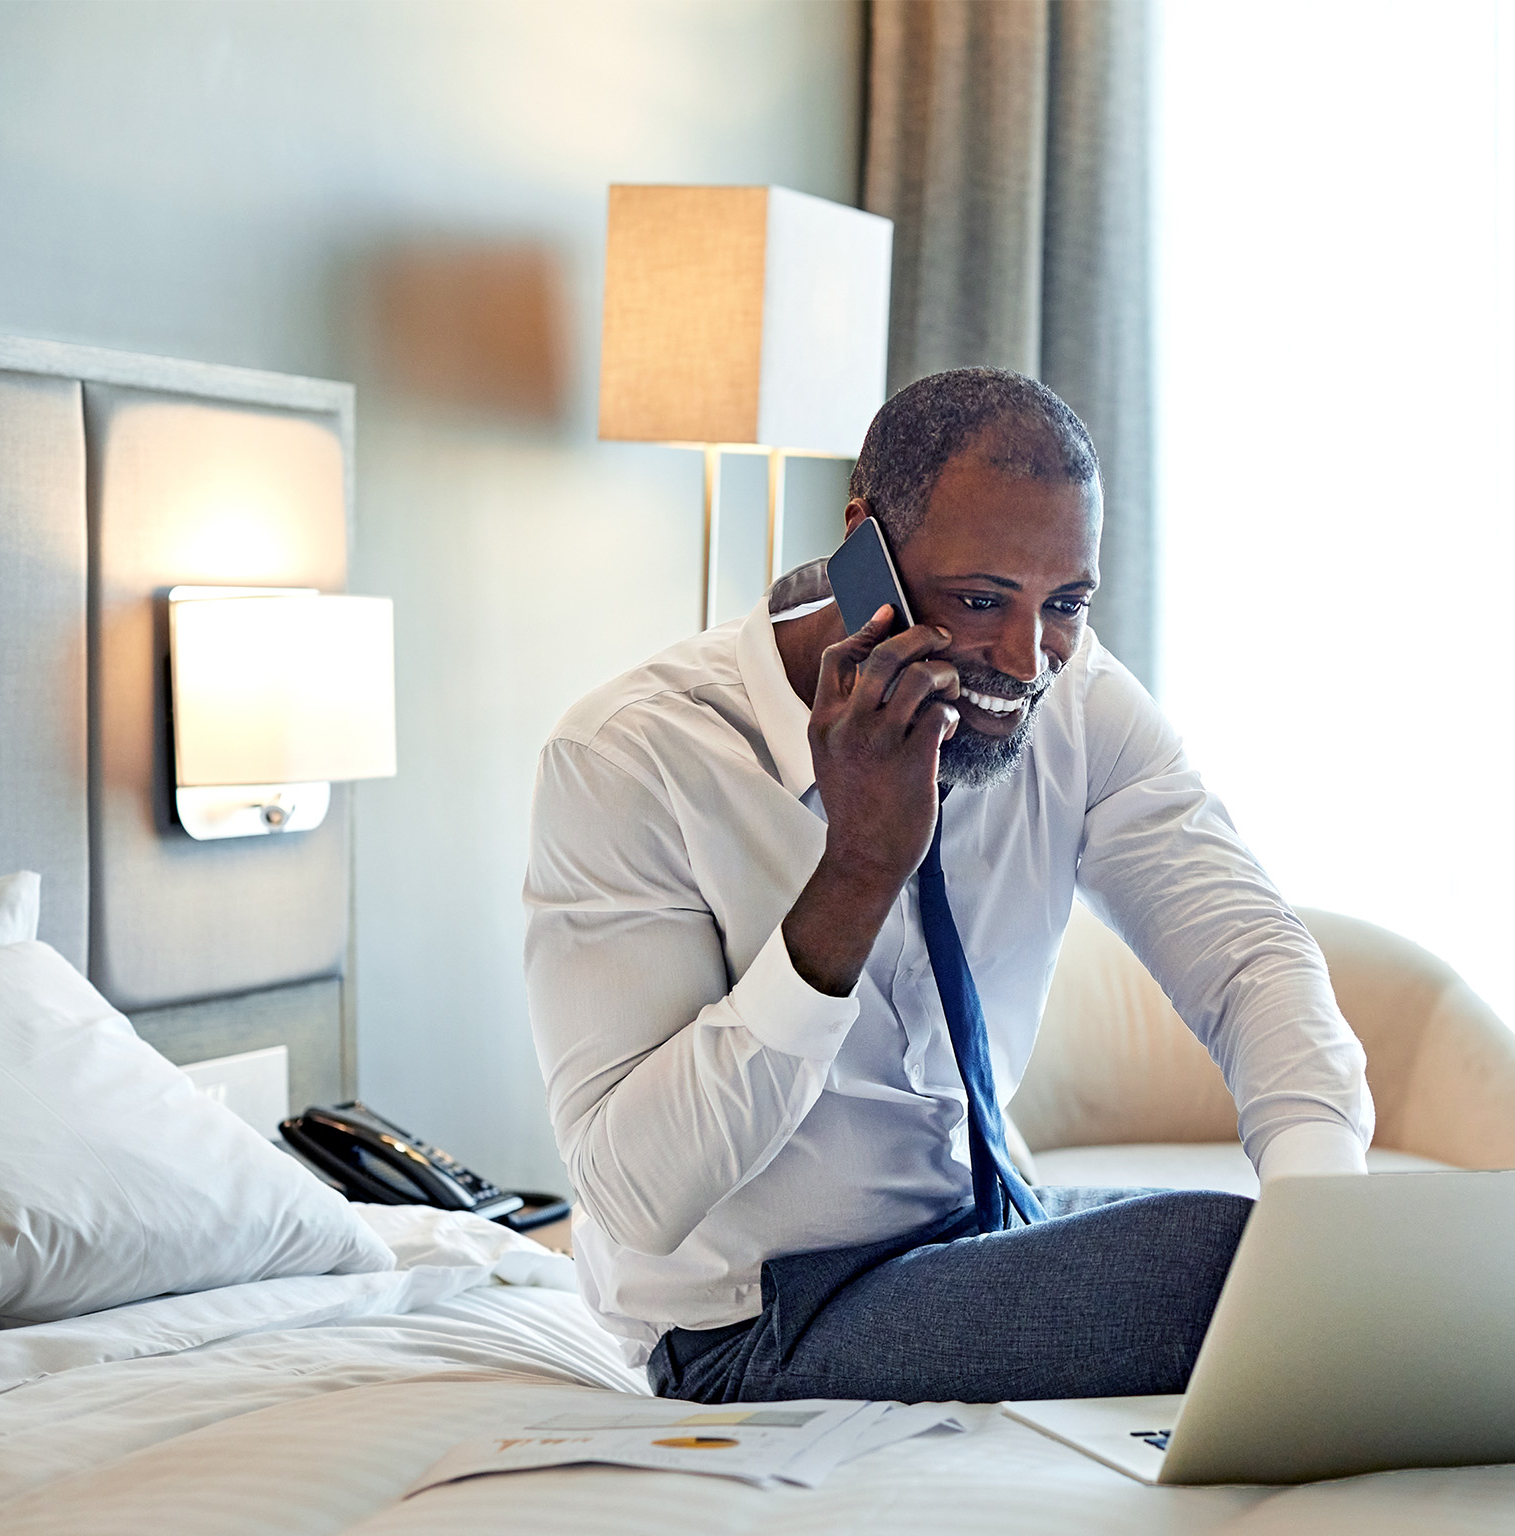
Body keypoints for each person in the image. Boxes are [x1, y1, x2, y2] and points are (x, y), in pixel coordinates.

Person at [524, 368, 1373, 1405]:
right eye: (980, 600)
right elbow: (632, 1192)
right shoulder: (632, 757)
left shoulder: (1080, 695)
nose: (1026, 659)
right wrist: (860, 868)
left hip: (986, 1232)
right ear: (863, 545)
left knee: (1355, 1257)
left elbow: (1248, 958)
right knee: (1214, 1264)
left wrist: (1325, 1214)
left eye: (1064, 604)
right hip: (755, 1316)